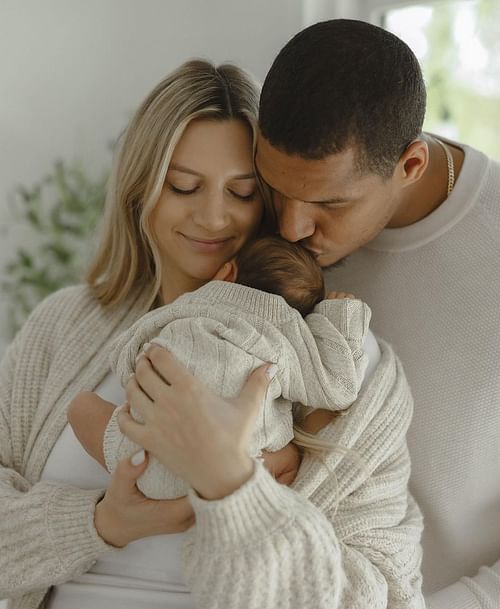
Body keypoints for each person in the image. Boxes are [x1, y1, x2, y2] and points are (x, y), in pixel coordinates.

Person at [0, 59, 424, 609]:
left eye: (243, 193)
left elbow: (385, 597)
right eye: (182, 186)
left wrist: (234, 489)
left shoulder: (344, 363)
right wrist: (101, 521)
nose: (214, 218)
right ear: (141, 191)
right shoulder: (66, 325)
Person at [254, 18, 500, 609]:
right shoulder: (257, 220)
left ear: (411, 164)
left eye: (328, 202)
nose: (291, 227)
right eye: (277, 188)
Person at [67, 236, 370, 500]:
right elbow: (339, 389)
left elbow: (126, 350)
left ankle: (158, 503)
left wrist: (135, 380)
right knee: (289, 459)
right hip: (238, 466)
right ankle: (215, 505)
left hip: (142, 459)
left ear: (227, 272)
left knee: (81, 407)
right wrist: (337, 316)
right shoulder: (287, 338)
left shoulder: (191, 303)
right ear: (302, 314)